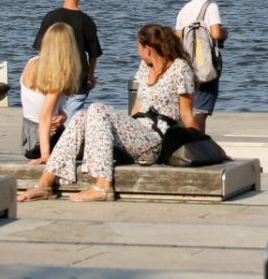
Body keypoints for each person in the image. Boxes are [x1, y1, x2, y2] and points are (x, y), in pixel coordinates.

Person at [18, 24, 198, 203]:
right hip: (137, 133)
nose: (137, 51)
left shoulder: (179, 69)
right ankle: (45, 184)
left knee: (97, 108)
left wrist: (199, 144)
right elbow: (136, 108)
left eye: (138, 46)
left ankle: (103, 186)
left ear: (148, 49)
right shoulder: (145, 67)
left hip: (156, 139)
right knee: (82, 115)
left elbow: (186, 114)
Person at [31, 0, 102, 118]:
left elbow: (41, 50)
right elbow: (93, 54)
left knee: (50, 117)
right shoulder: (86, 21)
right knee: (72, 119)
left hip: (53, 75)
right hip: (78, 78)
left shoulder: (50, 17)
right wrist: (90, 77)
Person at [174, 0, 227, 133]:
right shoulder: (211, 7)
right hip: (205, 64)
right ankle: (198, 143)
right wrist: (225, 33)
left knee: (186, 109)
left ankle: (185, 142)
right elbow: (216, 34)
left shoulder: (184, 9)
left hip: (187, 64)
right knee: (201, 111)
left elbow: (177, 39)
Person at [19, 22, 79, 162]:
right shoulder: (56, 76)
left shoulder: (32, 63)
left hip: (28, 137)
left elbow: (37, 104)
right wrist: (45, 154)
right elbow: (44, 116)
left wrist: (62, 116)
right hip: (43, 139)